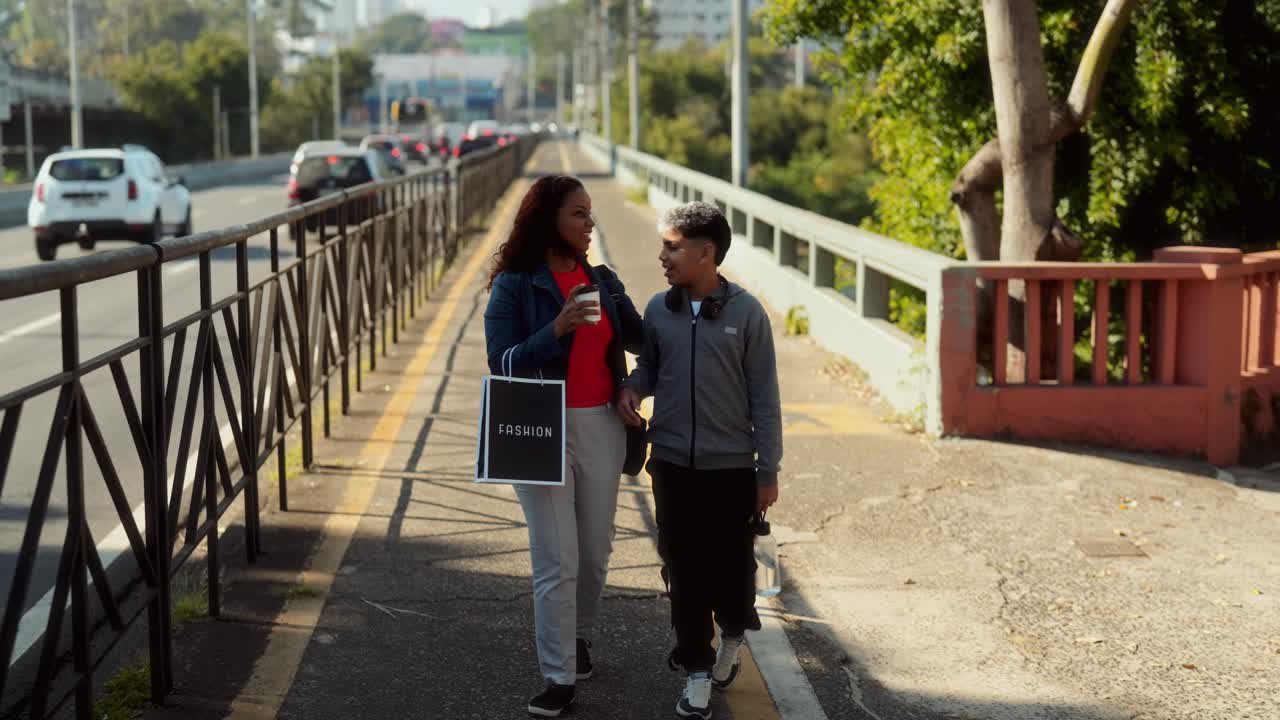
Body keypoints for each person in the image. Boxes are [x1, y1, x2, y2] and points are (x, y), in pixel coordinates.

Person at [484, 175, 644, 718]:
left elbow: (645, 340)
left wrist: (634, 385)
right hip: (538, 426)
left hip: (602, 424)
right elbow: (502, 363)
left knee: (595, 555)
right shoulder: (514, 285)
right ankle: (557, 675)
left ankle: (578, 637)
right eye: (578, 213)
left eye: (591, 213)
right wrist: (556, 327)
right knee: (558, 559)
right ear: (548, 218)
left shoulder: (603, 280)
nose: (589, 222)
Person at [617, 202, 782, 720]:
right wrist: (632, 389)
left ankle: (734, 632)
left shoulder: (747, 313)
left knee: (732, 570)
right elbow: (650, 367)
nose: (662, 256)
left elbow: (765, 397)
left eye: (672, 246)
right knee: (683, 570)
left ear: (706, 253)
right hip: (671, 464)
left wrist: (768, 469)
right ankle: (695, 669)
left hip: (732, 468)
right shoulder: (659, 310)